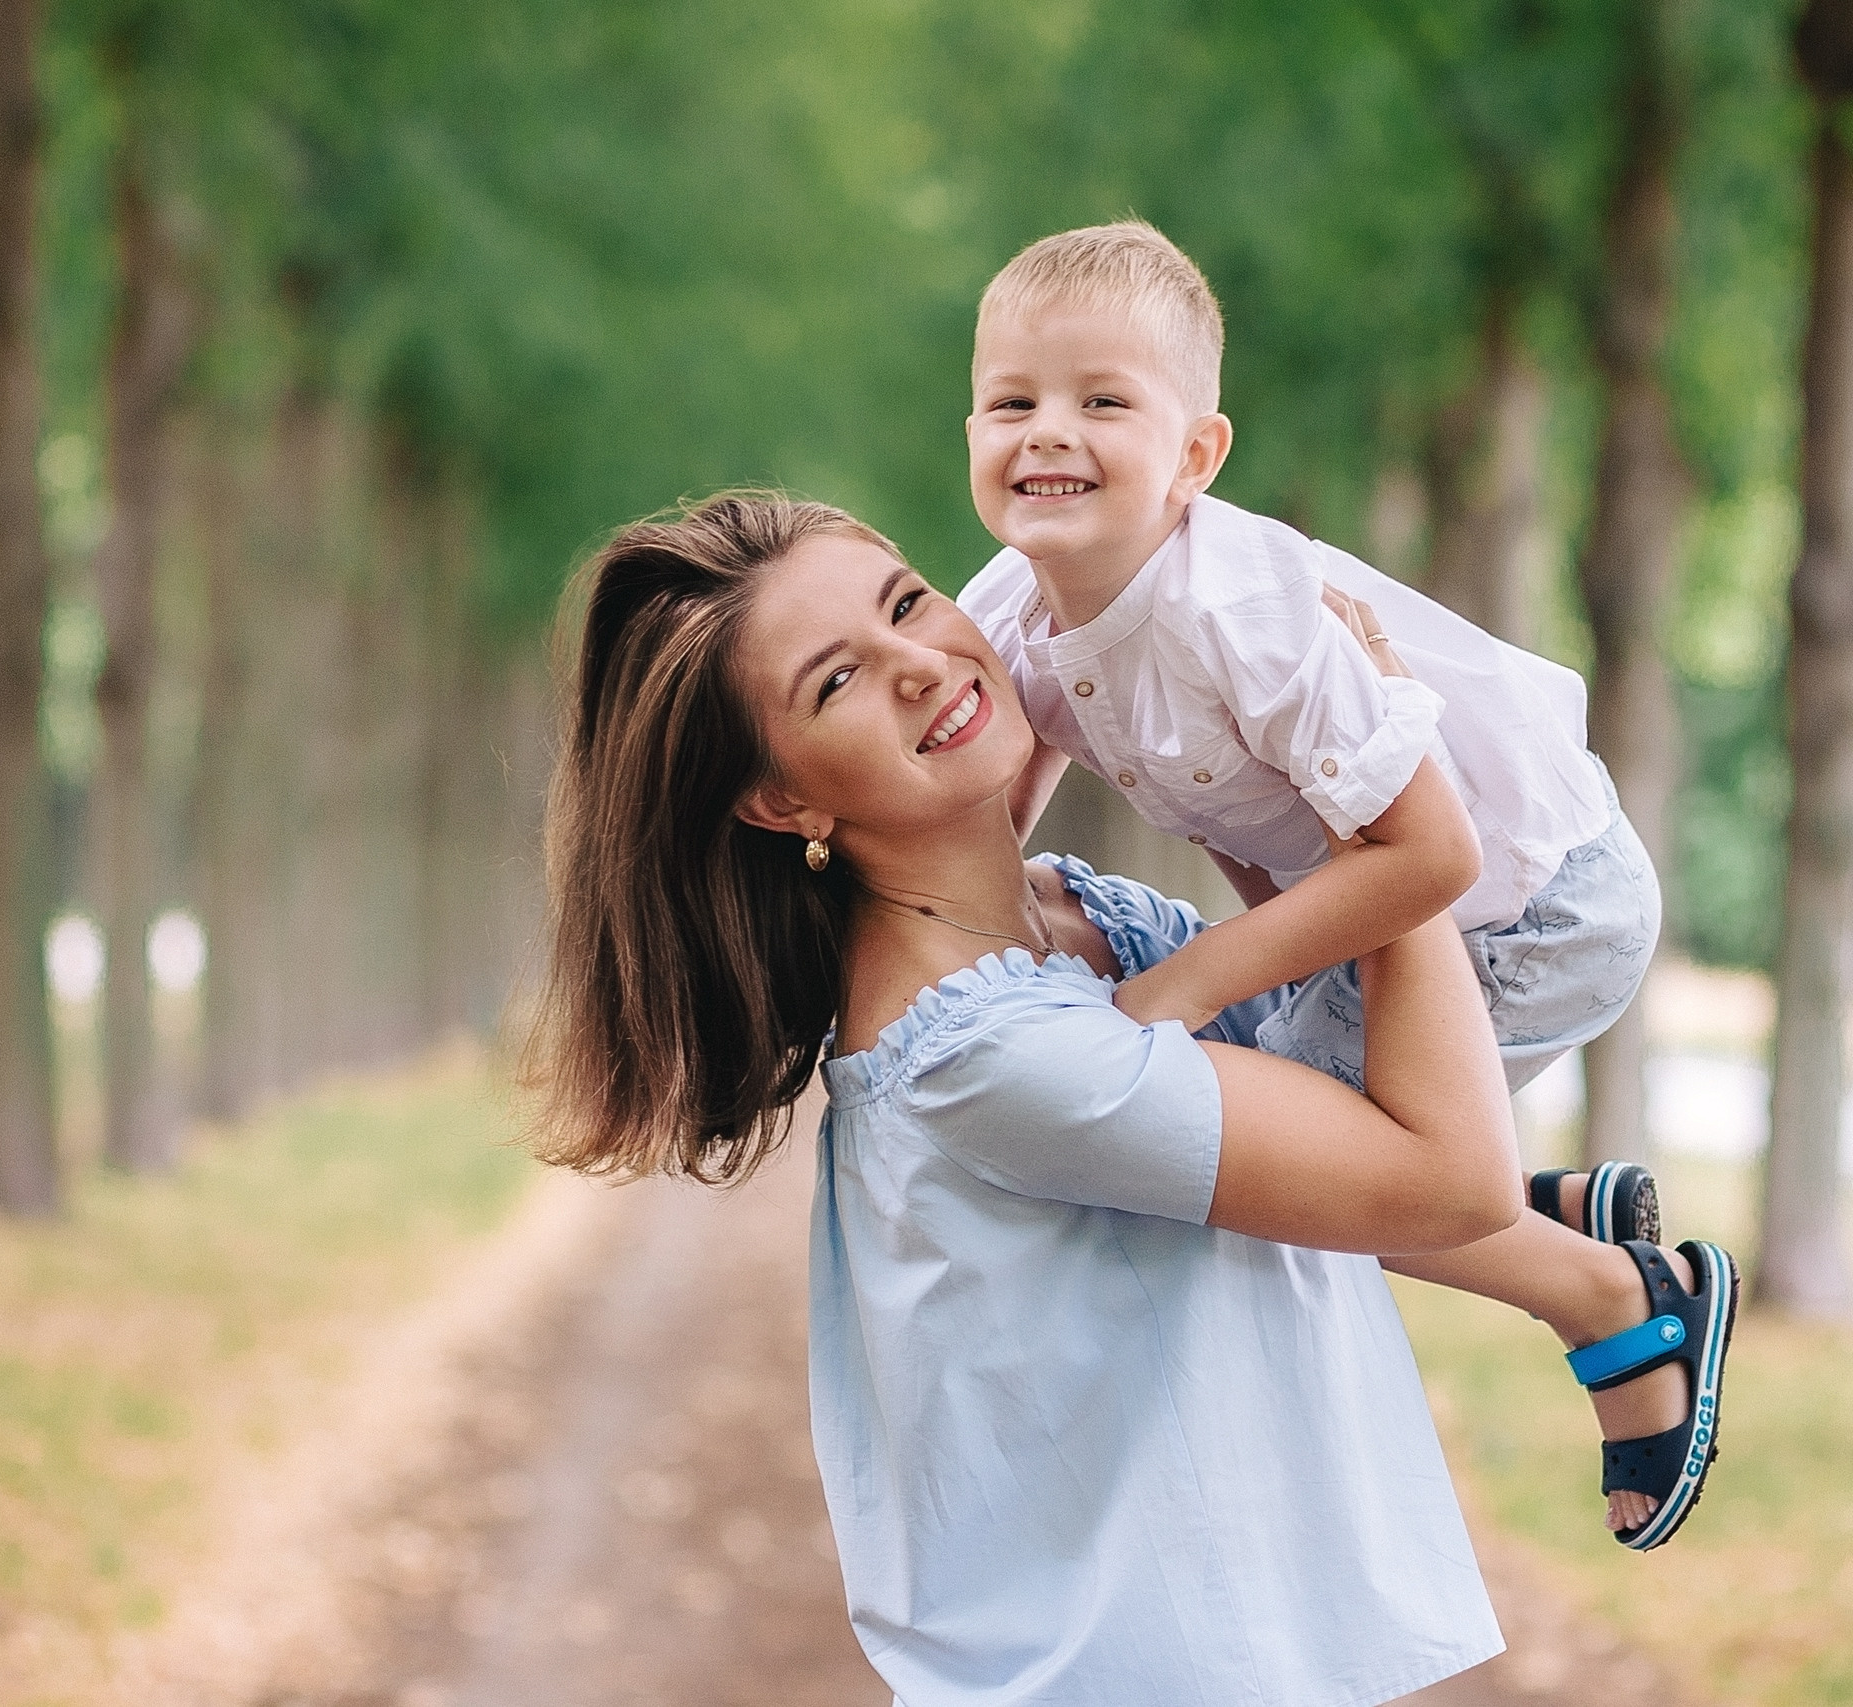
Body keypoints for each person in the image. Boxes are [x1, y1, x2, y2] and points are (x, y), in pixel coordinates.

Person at [525, 492, 1734, 1703]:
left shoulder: (1081, 923)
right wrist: (1378, 786)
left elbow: (1343, 1090)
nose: (918, 663)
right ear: (780, 800)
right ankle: (1597, 1279)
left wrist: (1300, 788)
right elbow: (1447, 1178)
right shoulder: (979, 1055)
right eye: (835, 681)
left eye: (905, 602)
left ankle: (1592, 1276)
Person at [955, 222, 1734, 1548]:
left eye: (1103, 402)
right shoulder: (1020, 603)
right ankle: (1554, 1204)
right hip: (1373, 913)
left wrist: (1183, 982)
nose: (1048, 432)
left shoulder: (1245, 613)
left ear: (1196, 456)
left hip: (1533, 900)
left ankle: (1616, 1295)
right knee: (1287, 1158)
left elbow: (1437, 855)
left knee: (1313, 1179)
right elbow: (983, 816)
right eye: (1011, 401)